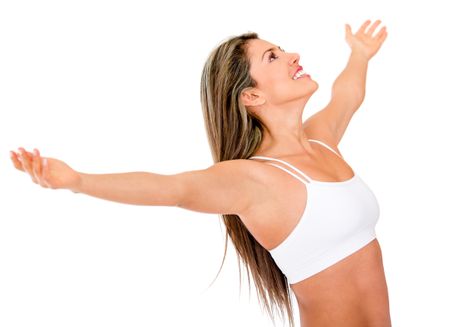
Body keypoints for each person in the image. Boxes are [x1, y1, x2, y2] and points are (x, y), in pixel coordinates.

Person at [10, 19, 390, 327]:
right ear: (251, 96)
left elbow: (347, 95)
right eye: (273, 57)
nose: (292, 55)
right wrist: (79, 182)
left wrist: (359, 54)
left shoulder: (322, 142)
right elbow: (171, 189)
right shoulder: (252, 180)